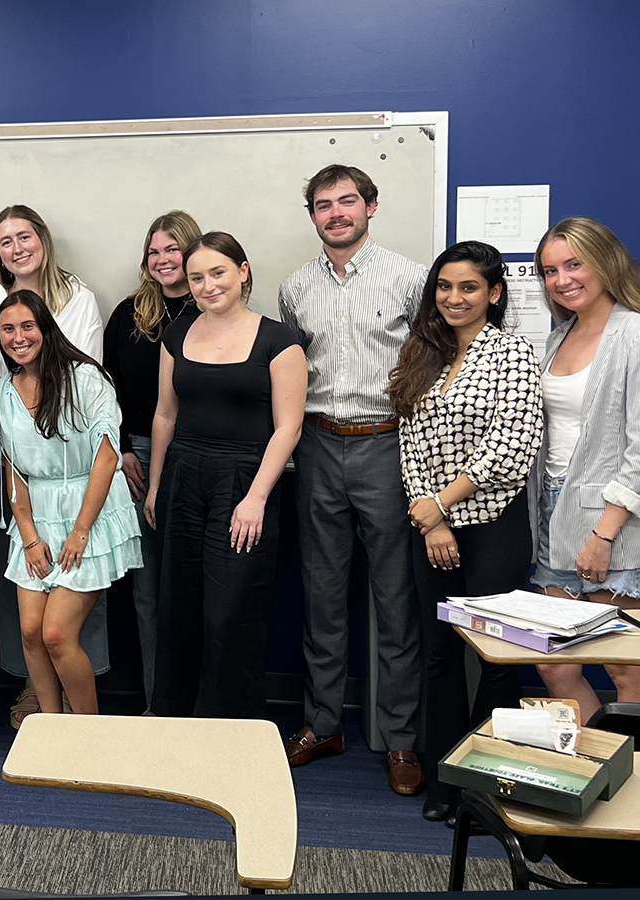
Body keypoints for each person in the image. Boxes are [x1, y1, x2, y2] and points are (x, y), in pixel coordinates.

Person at [277, 164, 428, 795]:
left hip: (387, 445)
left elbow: (436, 354)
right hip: (316, 445)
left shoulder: (410, 279)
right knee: (323, 595)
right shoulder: (295, 288)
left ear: (370, 206)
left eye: (347, 202)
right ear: (311, 215)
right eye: (322, 205)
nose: (335, 213)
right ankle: (322, 723)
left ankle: (399, 739)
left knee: (395, 600)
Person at [385, 241, 542, 820]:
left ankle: (486, 787)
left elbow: (511, 447)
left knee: (498, 658)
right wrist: (429, 517)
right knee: (439, 656)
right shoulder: (420, 355)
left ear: (493, 293)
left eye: (468, 287)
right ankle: (444, 784)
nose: (454, 298)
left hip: (493, 526)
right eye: (444, 287)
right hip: (430, 530)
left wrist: (442, 506)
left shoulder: (514, 355)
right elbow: (410, 443)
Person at [147, 233, 306, 720]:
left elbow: (289, 427)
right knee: (179, 606)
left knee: (229, 612)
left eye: (217, 272)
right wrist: (155, 487)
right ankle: (173, 717)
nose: (207, 285)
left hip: (244, 482)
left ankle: (226, 728)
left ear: (242, 271)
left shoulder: (280, 340)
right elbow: (164, 416)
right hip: (183, 477)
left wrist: (257, 497)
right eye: (197, 277)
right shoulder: (177, 335)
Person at [530, 217, 640, 723]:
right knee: (555, 665)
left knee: (629, 670)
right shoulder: (555, 339)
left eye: (574, 264)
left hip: (615, 525)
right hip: (553, 516)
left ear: (605, 262)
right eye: (550, 270)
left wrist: (604, 533)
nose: (562, 279)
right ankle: (603, 766)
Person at [0, 205, 107, 728]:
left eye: (24, 236)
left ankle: (79, 697)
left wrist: (50, 424)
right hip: (15, 454)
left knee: (72, 595)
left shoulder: (79, 296)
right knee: (27, 584)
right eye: (5, 241)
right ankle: (36, 686)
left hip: (75, 462)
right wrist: (18, 425)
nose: (16, 248)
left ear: (42, 239)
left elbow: (86, 369)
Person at [0, 289, 141, 717]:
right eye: (8, 329)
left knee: (57, 633)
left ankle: (87, 734)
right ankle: (51, 726)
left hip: (87, 513)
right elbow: (13, 466)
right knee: (29, 632)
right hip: (36, 518)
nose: (18, 337)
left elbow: (108, 453)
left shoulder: (85, 377)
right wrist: (27, 536)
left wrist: (81, 531)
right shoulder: (5, 389)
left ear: (45, 328)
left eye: (27, 326)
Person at [103, 210, 202, 712]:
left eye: (173, 249)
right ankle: (157, 702)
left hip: (202, 456)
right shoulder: (128, 314)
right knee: (148, 590)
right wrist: (122, 449)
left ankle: (199, 705)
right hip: (138, 457)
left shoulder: (214, 310)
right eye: (154, 251)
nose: (163, 260)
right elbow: (107, 390)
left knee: (197, 586)